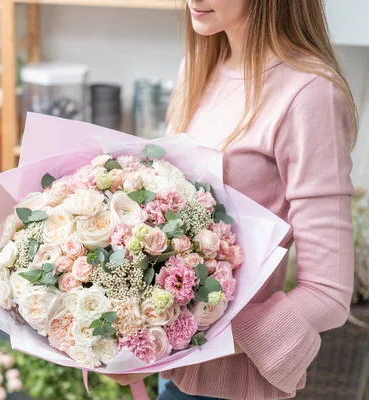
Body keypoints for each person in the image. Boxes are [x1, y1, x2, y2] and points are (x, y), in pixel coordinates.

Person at [106, 0, 357, 399]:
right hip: (174, 377)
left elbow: (327, 293)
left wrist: (184, 345)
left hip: (234, 383)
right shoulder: (199, 67)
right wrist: (141, 341)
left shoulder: (309, 94)